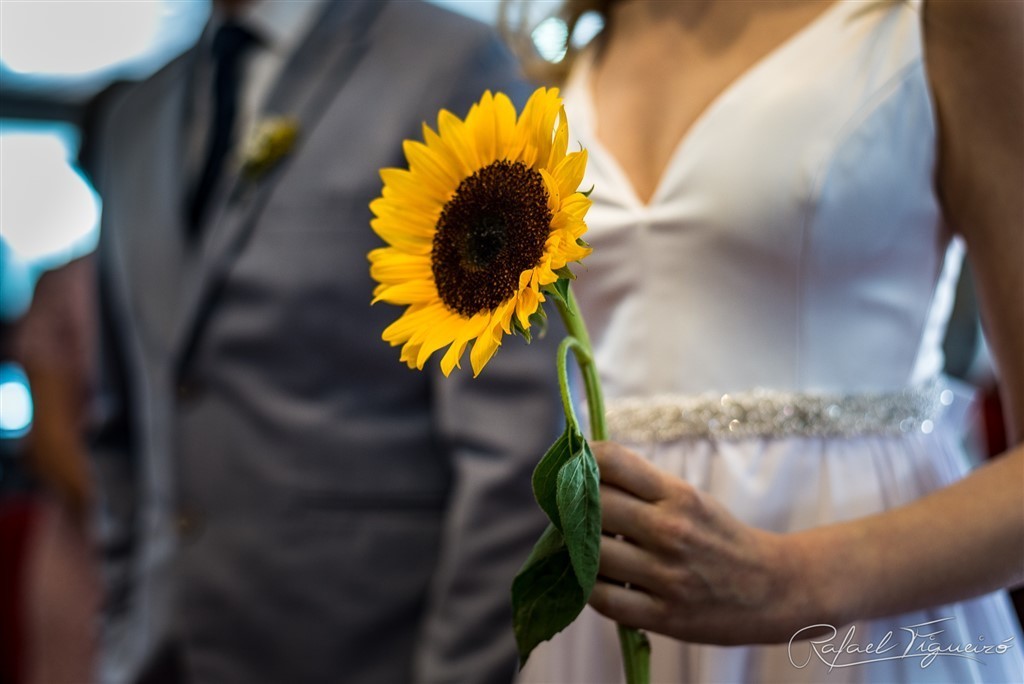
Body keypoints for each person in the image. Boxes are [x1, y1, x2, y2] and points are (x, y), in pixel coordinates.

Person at [507, 0, 1024, 682]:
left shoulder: (939, 19)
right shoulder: (563, 61)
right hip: (615, 605)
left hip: (862, 620)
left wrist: (793, 582)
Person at [86, 1, 561, 682]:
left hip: (366, 653)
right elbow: (118, 426)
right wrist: (123, 636)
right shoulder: (136, 118)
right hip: (160, 657)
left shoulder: (447, 64)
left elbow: (513, 446)